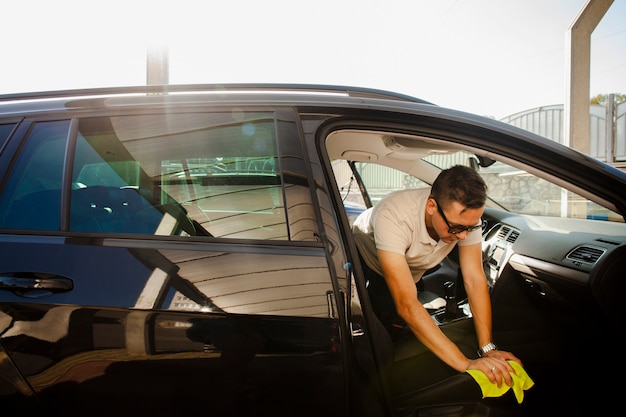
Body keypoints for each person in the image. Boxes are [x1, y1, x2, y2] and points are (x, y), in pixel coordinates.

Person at [352, 165, 522, 388]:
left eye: (470, 228)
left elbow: (474, 278)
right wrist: (465, 363)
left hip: (412, 266)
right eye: (456, 228)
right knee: (384, 334)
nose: (463, 236)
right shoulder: (394, 215)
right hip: (368, 265)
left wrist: (487, 348)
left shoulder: (466, 221)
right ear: (432, 206)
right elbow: (406, 304)